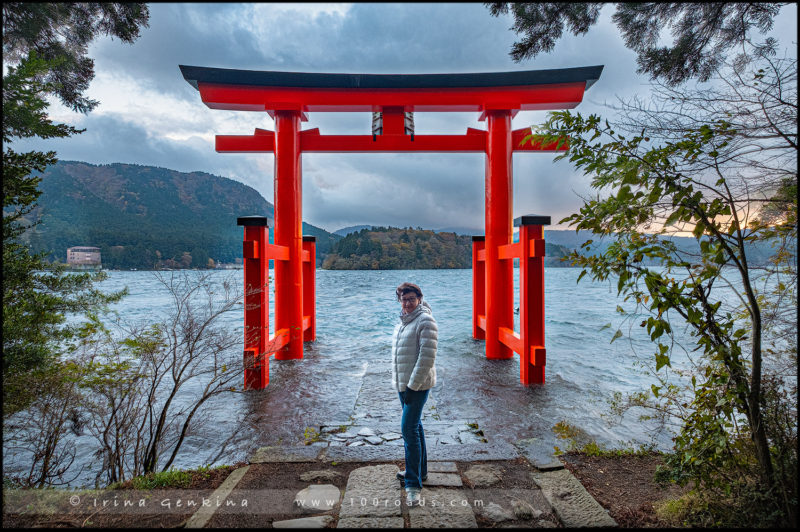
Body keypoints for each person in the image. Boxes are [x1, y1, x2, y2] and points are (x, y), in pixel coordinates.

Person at [391, 282, 437, 506]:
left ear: (419, 298)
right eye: (403, 299)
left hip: (416, 385)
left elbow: (427, 358)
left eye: (411, 299)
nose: (407, 303)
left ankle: (413, 485)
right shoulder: (404, 320)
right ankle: (421, 471)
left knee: (408, 430)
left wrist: (412, 386)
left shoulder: (425, 320)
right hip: (404, 383)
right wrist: (401, 384)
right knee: (415, 426)